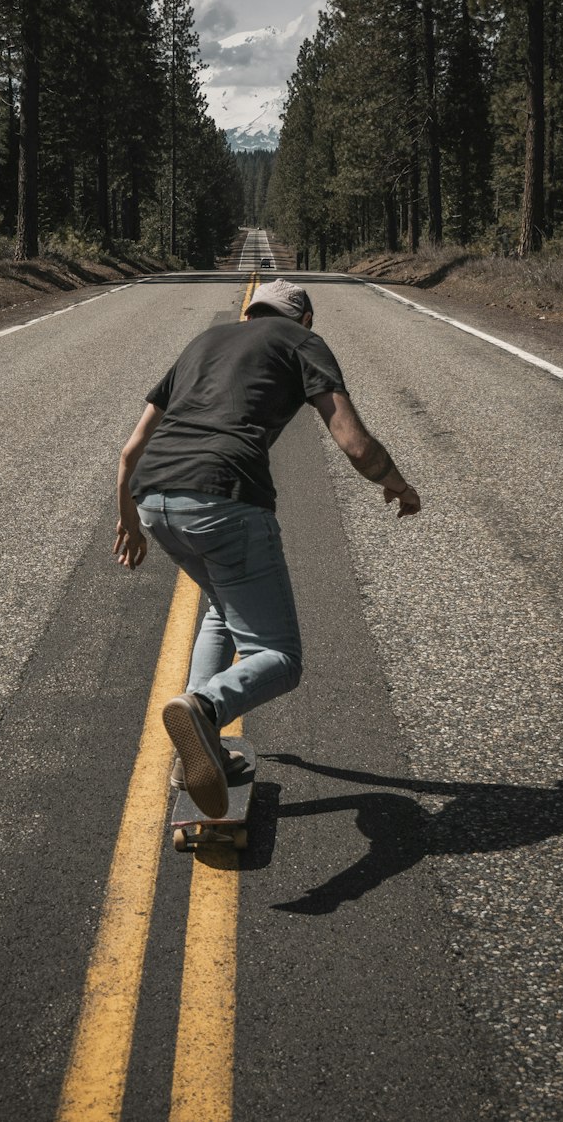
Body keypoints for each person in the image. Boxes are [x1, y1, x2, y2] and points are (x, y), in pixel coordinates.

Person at [114, 278, 421, 818]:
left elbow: (131, 447)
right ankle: (203, 709)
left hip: (154, 498)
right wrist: (395, 482)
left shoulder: (204, 342)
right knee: (279, 657)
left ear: (251, 313)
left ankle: (197, 748)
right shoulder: (302, 342)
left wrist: (129, 524)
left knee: (220, 606)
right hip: (224, 499)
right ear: (303, 320)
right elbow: (353, 441)